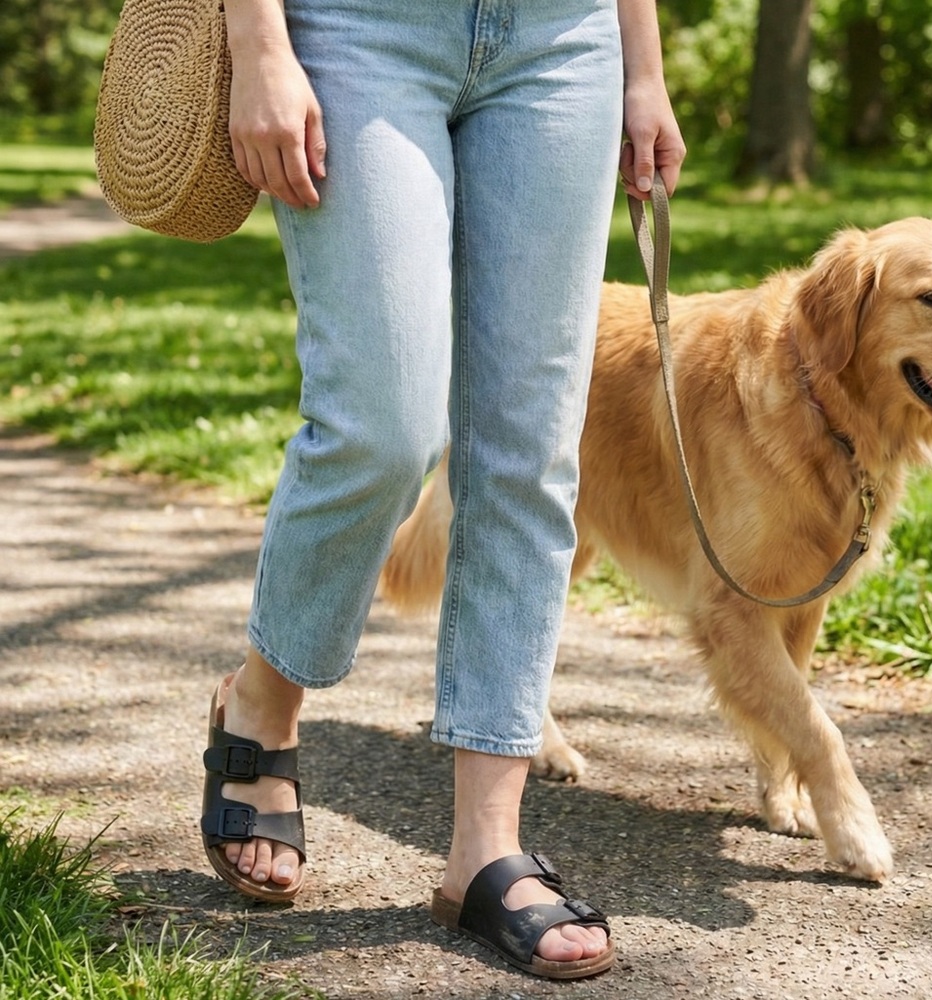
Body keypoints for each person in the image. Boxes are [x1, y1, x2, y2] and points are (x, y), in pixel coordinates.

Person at [201, 0, 684, 980]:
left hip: (562, 41)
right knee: (381, 426)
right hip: (358, 27)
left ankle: (485, 851)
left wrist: (643, 64)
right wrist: (257, 44)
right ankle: (261, 701)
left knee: (529, 450)